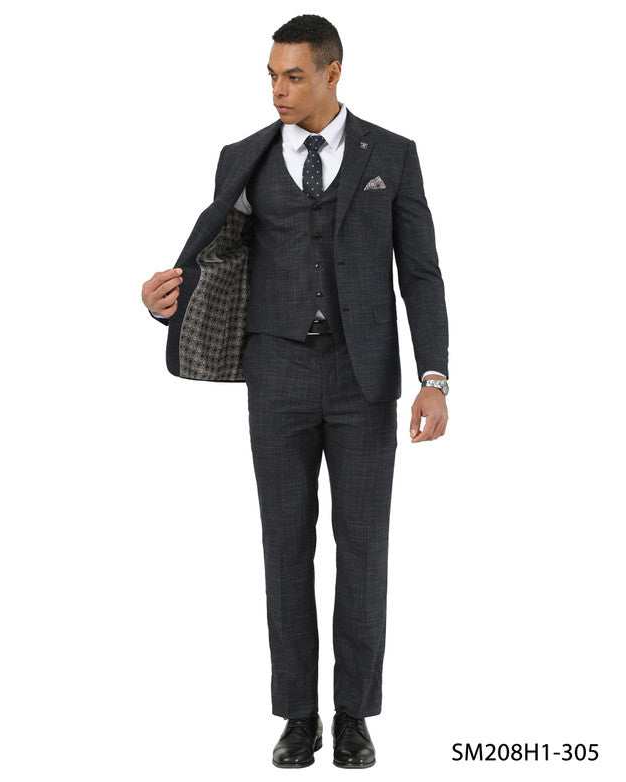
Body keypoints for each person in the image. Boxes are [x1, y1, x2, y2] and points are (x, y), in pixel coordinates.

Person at [141, 14, 449, 770]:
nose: (278, 90)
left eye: (294, 76)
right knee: (285, 545)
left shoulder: (392, 155)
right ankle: (298, 716)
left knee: (364, 548)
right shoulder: (242, 157)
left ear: (333, 73)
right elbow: (213, 258)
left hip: (362, 377)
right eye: (272, 76)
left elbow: (420, 273)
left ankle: (354, 716)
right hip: (275, 372)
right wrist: (159, 301)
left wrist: (434, 378)